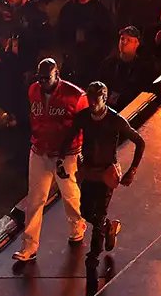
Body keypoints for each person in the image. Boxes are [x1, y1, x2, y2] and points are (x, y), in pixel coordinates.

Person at [62, 81, 145, 266]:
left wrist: (132, 170)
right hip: (89, 172)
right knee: (84, 210)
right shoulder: (83, 117)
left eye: (96, 99)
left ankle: (94, 253)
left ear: (104, 99)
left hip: (107, 173)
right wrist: (62, 159)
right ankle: (108, 226)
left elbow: (139, 142)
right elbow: (69, 137)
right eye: (90, 98)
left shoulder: (115, 120)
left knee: (99, 214)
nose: (92, 103)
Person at [14, 59, 87, 262]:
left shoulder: (76, 96)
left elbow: (84, 125)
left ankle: (76, 226)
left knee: (70, 194)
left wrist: (79, 152)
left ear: (57, 75)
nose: (43, 82)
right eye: (40, 78)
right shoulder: (33, 90)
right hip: (39, 150)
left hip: (66, 154)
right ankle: (29, 246)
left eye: (47, 78)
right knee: (35, 199)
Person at [0, 0, 50, 129]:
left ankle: (22, 118)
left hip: (27, 66)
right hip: (14, 62)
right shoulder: (16, 12)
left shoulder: (34, 16)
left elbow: (38, 43)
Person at [57, 0, 116, 85]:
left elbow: (109, 38)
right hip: (71, 64)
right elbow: (60, 34)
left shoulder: (101, 12)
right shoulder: (67, 9)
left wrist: (97, 56)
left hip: (93, 66)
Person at [102, 27, 154, 107]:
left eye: (129, 40)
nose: (124, 42)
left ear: (136, 44)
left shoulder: (142, 69)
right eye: (122, 39)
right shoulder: (109, 63)